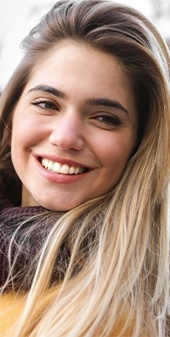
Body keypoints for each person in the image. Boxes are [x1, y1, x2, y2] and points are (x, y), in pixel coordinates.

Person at [0, 0, 169, 336]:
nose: (65, 138)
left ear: (139, 144)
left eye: (104, 118)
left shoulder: (113, 315)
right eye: (47, 104)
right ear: (11, 115)